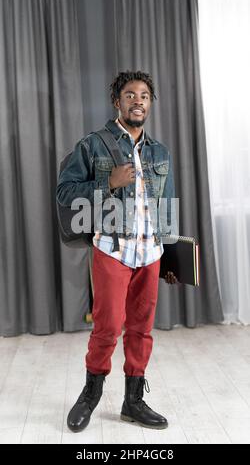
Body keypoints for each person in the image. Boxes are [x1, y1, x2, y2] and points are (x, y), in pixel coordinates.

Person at [56, 70, 179, 433]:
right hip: (112, 249)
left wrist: (170, 256)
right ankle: (91, 394)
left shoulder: (160, 151)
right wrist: (107, 182)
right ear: (117, 101)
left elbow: (166, 204)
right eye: (129, 94)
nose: (137, 100)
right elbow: (65, 193)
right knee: (107, 327)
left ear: (150, 103)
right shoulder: (94, 145)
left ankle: (133, 401)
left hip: (150, 254)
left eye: (144, 95)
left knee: (141, 330)